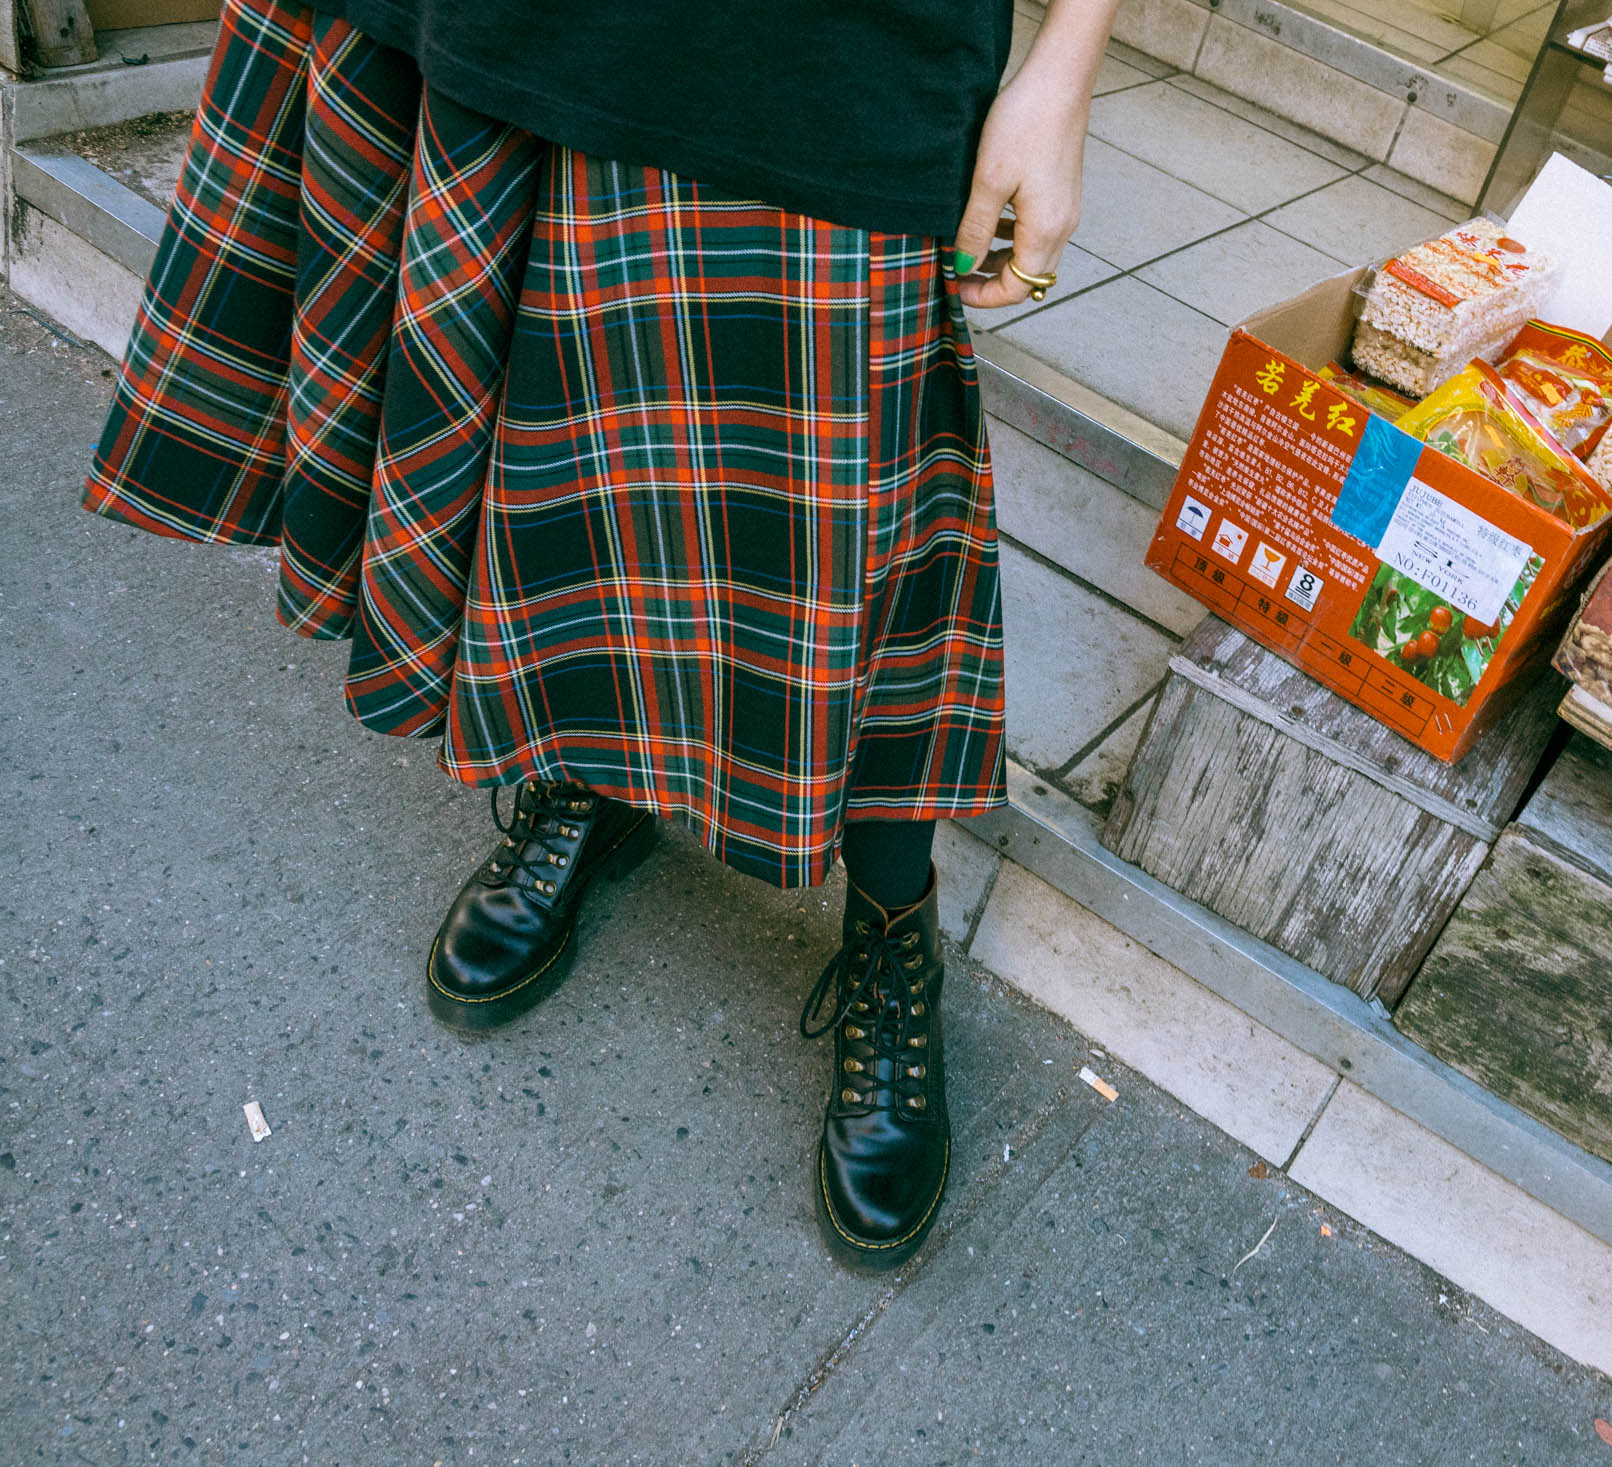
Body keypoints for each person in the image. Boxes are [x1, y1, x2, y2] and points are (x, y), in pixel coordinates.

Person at [82, 0, 1124, 1270]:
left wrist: (1065, 61)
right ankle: (585, 771)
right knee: (553, 432)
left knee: (854, 522)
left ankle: (892, 924)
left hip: (839, 52)